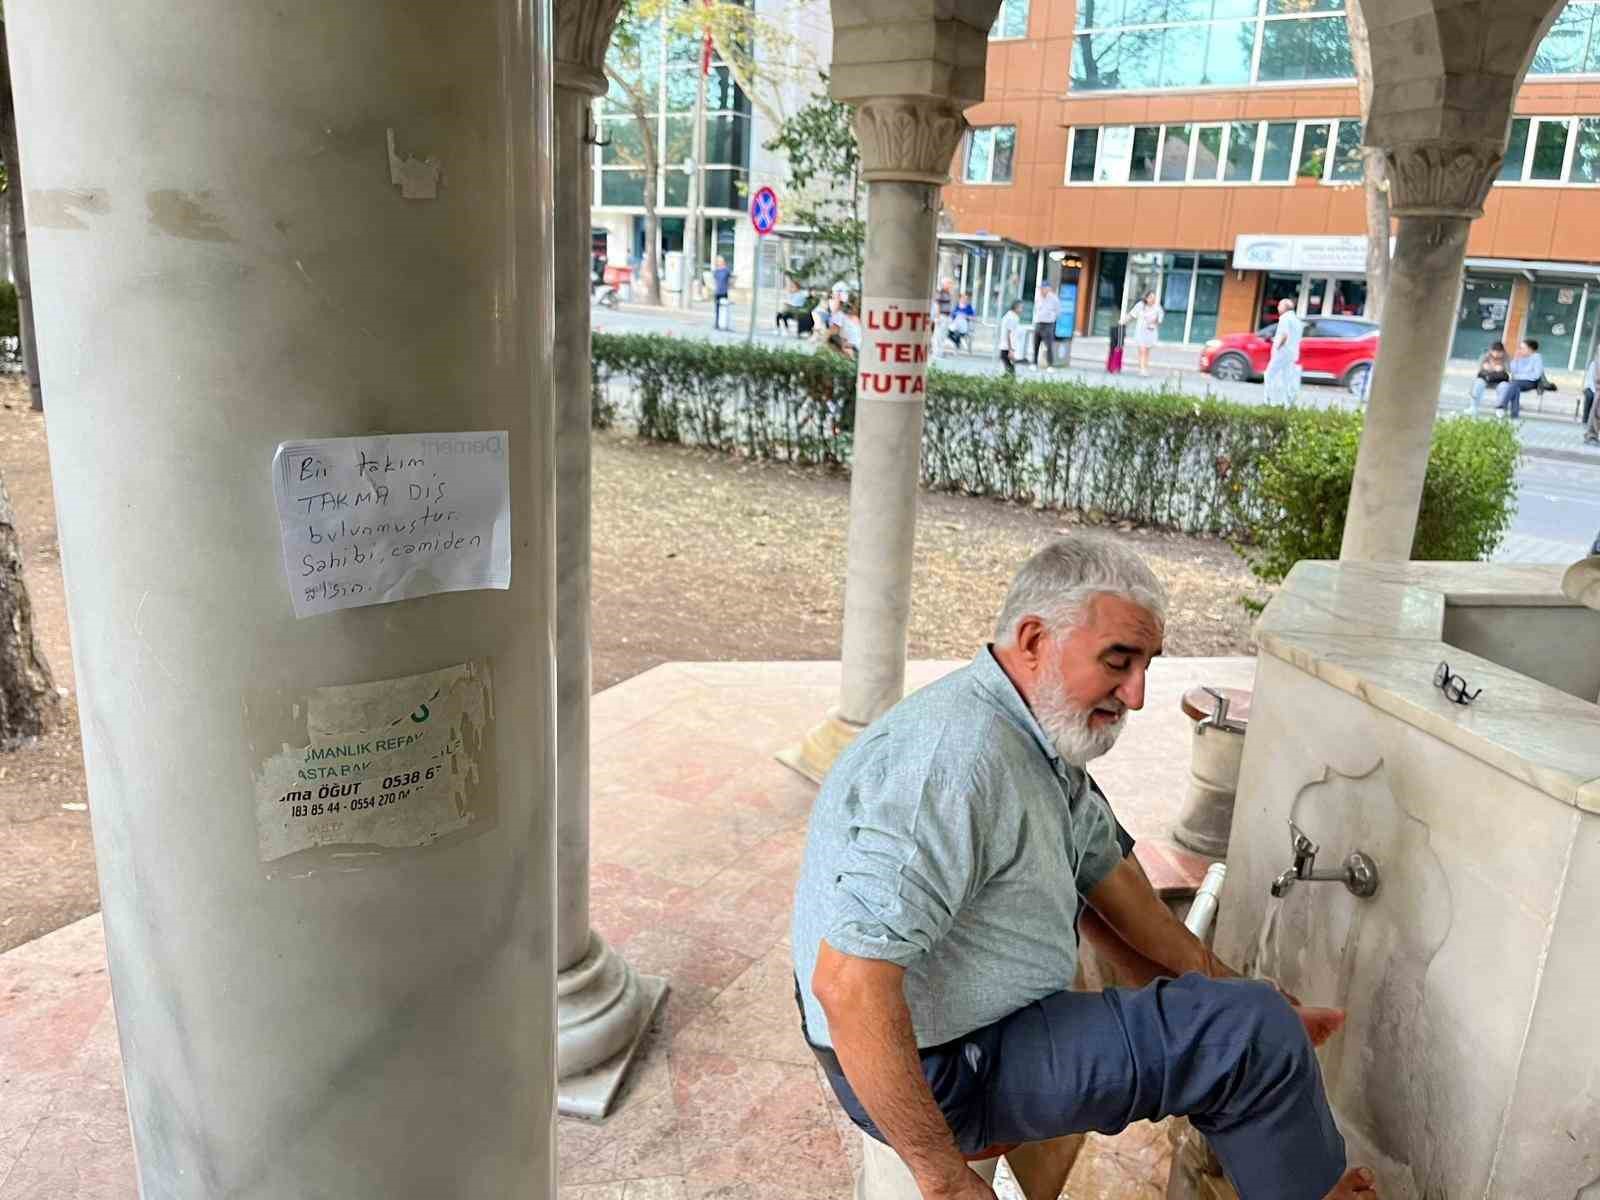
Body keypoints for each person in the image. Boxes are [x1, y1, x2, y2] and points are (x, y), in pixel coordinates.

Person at [791, 538, 1377, 1200]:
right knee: (1254, 1043)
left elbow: (1112, 877)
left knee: (1251, 1016)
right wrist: (945, 1178)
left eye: (1146, 666)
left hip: (978, 1030)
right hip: (946, 1067)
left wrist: (1231, 987)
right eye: (1118, 663)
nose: (1137, 694)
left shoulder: (1033, 730)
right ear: (1035, 640)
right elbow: (847, 985)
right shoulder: (952, 768)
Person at [1263, 297, 1305, 407]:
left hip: (1283, 352)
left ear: (1285, 307)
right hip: (1292, 353)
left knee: (1269, 374)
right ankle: (1287, 403)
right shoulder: (1297, 321)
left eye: (1279, 305)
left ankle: (1268, 400)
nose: (1277, 307)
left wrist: (1277, 347)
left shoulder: (1285, 318)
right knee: (1287, 378)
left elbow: (1284, 335)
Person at [1495, 338, 1543, 420]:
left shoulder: (1536, 358)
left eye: (1523, 348)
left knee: (1514, 384)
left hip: (1531, 382)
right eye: (1520, 348)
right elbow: (1513, 371)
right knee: (1515, 387)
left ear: (1530, 349)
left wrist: (1518, 376)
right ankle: (1514, 414)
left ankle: (1502, 406)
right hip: (1517, 382)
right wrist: (1516, 359)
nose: (1520, 350)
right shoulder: (1520, 357)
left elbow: (1536, 375)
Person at [1121, 289, 1163, 376]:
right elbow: (1131, 315)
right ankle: (1142, 369)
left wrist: (1155, 321)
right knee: (1142, 350)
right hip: (1140, 332)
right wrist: (1123, 321)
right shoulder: (1140, 305)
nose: (1152, 300)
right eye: (1151, 297)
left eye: (1154, 298)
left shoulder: (1158, 308)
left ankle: (1145, 368)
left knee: (1147, 351)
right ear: (1146, 298)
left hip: (1151, 332)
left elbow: (1160, 320)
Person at [1470, 341, 1510, 416]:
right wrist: (1484, 367)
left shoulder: (1507, 358)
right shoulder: (1485, 356)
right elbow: (1478, 369)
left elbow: (1510, 372)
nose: (1496, 354)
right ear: (1491, 351)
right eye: (1494, 352)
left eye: (1499, 352)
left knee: (1505, 387)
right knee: (1478, 383)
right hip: (1486, 379)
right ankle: (1473, 407)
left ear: (1503, 352)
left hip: (1500, 380)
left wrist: (1503, 368)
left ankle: (1500, 408)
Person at [1032, 285, 1060, 370]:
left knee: (1049, 345)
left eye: (1043, 289)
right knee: (1036, 344)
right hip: (1038, 323)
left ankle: (1050, 365)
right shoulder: (1038, 298)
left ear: (1048, 289)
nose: (1041, 291)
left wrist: (1051, 318)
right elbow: (1036, 309)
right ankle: (1034, 363)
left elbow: (1058, 311)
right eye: (1040, 289)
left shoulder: (1054, 299)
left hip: (1048, 324)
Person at [999, 299, 1024, 378]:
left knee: (1009, 370)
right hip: (1007, 348)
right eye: (1021, 308)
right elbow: (1009, 334)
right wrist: (1011, 350)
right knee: (1011, 371)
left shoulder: (1009, 315)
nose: (1022, 310)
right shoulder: (1012, 317)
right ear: (1016, 308)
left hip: (1005, 347)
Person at [934, 278, 956, 356]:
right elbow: (937, 305)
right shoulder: (941, 293)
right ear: (944, 284)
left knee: (943, 335)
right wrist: (937, 317)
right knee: (939, 335)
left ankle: (941, 351)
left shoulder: (948, 293)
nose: (951, 285)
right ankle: (937, 352)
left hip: (947, 316)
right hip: (942, 316)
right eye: (949, 283)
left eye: (951, 283)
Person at [1581, 346, 1598, 442]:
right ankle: (1585, 419)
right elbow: (1591, 380)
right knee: (1590, 396)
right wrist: (1595, 391)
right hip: (1590, 387)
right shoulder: (1594, 364)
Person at [712, 255, 733, 331]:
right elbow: (714, 280)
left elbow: (731, 279)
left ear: (723, 262)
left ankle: (724, 324)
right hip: (717, 292)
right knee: (717, 309)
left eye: (720, 261)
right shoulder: (716, 271)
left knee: (724, 309)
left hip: (724, 292)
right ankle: (717, 323)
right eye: (717, 261)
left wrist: (730, 286)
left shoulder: (726, 270)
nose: (718, 263)